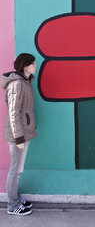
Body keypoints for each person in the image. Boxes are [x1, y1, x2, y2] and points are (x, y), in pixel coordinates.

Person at [1, 53, 37, 216]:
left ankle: (15, 197)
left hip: (23, 132)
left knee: (18, 170)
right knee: (15, 171)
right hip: (18, 135)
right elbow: (13, 113)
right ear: (25, 65)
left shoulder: (26, 82)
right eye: (33, 63)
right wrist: (19, 138)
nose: (36, 66)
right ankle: (12, 204)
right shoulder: (17, 84)